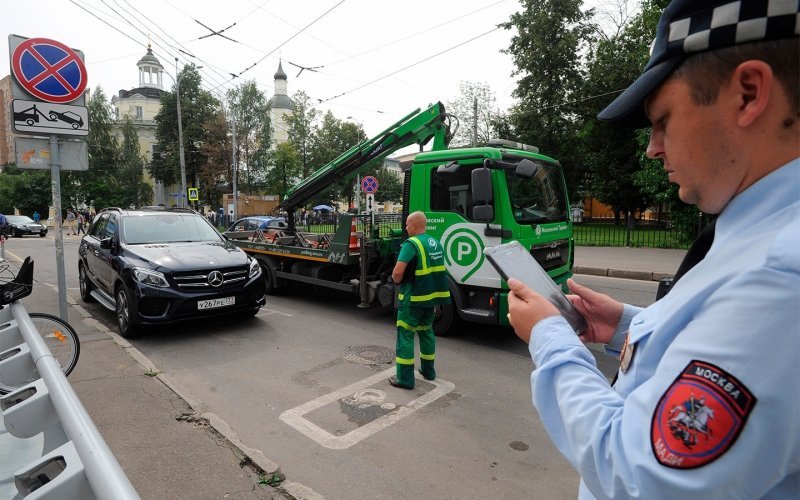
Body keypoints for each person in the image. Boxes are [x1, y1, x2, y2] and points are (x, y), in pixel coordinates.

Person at [506, 1, 799, 498]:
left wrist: (551, 339)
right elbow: (710, 340)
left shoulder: (778, 277)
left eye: (663, 120)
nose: (652, 147)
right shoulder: (758, 236)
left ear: (748, 93)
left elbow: (639, 477)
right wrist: (625, 327)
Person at [388, 211, 451, 389]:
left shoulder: (411, 244)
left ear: (414, 225)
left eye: (407, 224)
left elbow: (398, 272)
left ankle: (405, 379)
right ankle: (428, 371)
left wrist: (396, 280)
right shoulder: (435, 243)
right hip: (430, 300)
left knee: (405, 337)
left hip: (413, 299)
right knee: (426, 333)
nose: (406, 228)